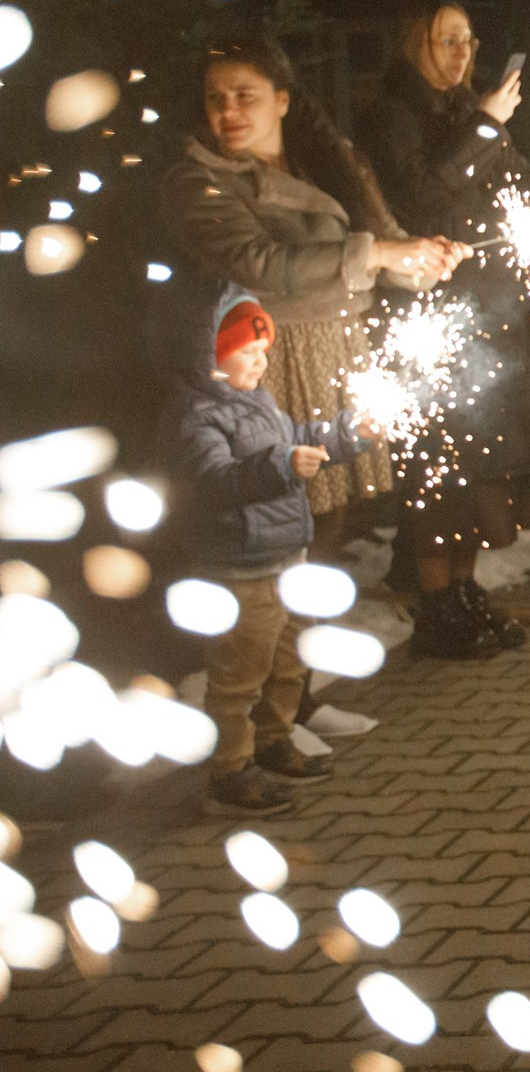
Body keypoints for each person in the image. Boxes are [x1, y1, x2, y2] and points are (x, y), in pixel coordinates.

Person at [359, 1, 530, 658]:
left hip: (492, 314)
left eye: (468, 39)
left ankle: (465, 593)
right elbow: (427, 196)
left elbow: (503, 181)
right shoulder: (394, 112)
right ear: (417, 44)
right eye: (446, 40)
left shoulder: (466, 110)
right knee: (444, 471)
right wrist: (488, 122)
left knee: (484, 470)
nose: (461, 52)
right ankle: (436, 608)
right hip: (437, 315)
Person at [164, 41, 458, 568]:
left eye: (245, 96)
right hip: (271, 356)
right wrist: (383, 252)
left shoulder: (320, 164)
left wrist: (416, 262)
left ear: (282, 100)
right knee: (280, 510)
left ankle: (303, 631)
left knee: (328, 510)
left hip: (335, 342)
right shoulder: (197, 180)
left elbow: (363, 251)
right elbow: (260, 263)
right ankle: (276, 633)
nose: (227, 112)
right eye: (216, 98)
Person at [154, 282, 372, 812]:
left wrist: (345, 435)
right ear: (212, 356)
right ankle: (229, 773)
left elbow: (294, 439)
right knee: (239, 675)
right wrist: (279, 466)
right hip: (240, 569)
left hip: (285, 557)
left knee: (290, 659)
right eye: (248, 353)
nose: (261, 361)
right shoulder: (196, 417)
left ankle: (273, 741)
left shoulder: (257, 402)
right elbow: (215, 482)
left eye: (263, 351)